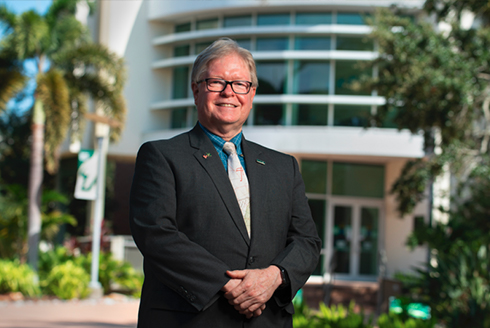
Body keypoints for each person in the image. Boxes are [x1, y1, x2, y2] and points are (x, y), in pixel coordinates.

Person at [129, 37, 321, 328]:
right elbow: (156, 234)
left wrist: (274, 276)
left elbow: (306, 242)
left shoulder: (284, 167)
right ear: (196, 90)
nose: (228, 92)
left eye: (240, 84)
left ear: (252, 93)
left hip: (266, 321)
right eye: (216, 82)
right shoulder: (161, 156)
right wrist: (228, 284)